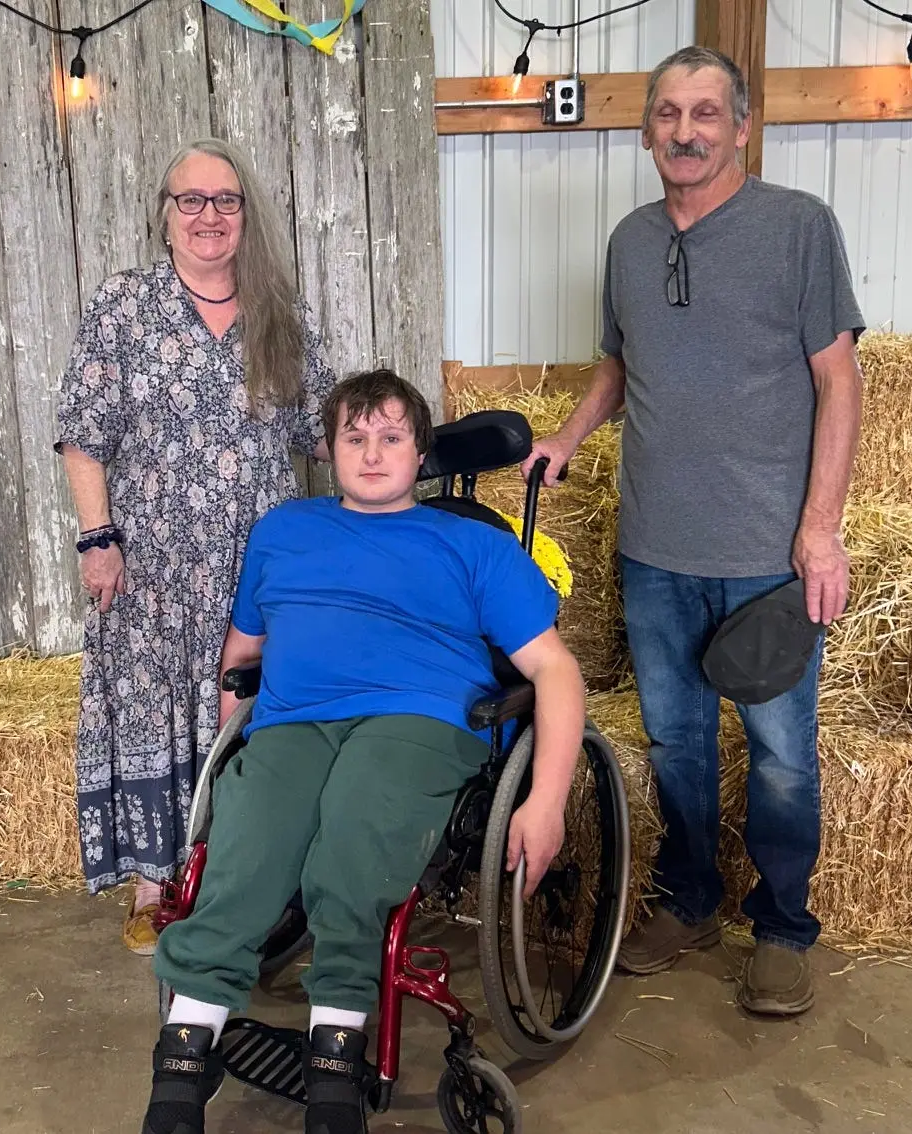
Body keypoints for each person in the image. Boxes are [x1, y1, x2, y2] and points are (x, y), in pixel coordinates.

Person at [140, 370, 586, 1134]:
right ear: (331, 451)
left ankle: (336, 1048)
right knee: (246, 846)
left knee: (354, 838)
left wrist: (545, 802)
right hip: (293, 721)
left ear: (420, 455)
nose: (372, 453)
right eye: (355, 437)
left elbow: (555, 669)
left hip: (417, 720)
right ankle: (185, 1052)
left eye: (391, 438)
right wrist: (231, 734)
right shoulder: (283, 530)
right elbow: (241, 653)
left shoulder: (474, 545)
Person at [526, 45, 865, 1017]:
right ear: (647, 131)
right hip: (653, 549)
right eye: (668, 113)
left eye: (706, 113)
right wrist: (569, 434)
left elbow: (839, 381)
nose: (685, 131)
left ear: (742, 127)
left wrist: (822, 531)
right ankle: (691, 899)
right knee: (677, 742)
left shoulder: (799, 230)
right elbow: (618, 370)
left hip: (767, 557)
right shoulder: (630, 241)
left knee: (782, 753)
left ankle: (784, 929)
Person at [55, 139, 336, 956]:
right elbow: (83, 434)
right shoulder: (124, 306)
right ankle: (152, 885)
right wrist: (98, 538)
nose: (210, 216)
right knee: (151, 705)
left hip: (256, 561)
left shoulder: (282, 314)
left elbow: (324, 433)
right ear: (165, 216)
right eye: (193, 201)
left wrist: (400, 453)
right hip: (149, 559)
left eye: (226, 200)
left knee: (246, 707)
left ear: (245, 216)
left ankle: (241, 879)